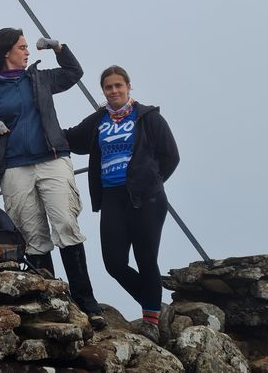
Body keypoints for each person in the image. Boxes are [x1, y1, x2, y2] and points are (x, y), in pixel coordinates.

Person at [0, 27, 106, 328]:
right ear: (7, 52)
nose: (28, 51)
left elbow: (74, 72)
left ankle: (87, 301)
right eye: (22, 47)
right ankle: (51, 301)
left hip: (52, 159)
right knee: (30, 233)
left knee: (66, 224)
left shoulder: (39, 78)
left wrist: (59, 47)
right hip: (14, 166)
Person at [64, 65, 179, 343]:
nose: (114, 91)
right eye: (108, 87)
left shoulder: (147, 117)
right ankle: (155, 304)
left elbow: (170, 156)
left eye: (118, 85)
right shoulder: (99, 120)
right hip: (112, 197)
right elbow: (72, 138)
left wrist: (150, 180)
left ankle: (150, 320)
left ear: (128, 87)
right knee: (114, 262)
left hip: (147, 198)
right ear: (103, 91)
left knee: (145, 258)